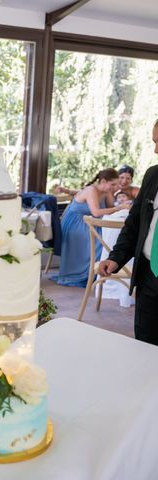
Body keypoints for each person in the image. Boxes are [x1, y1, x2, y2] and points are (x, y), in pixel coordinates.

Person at [99, 120, 158, 345]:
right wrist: (115, 258)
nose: (156, 150)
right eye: (154, 142)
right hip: (148, 276)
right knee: (144, 345)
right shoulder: (153, 175)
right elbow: (134, 225)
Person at [53, 168, 129, 287]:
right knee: (101, 241)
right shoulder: (91, 190)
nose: (115, 187)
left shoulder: (105, 192)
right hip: (76, 223)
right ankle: (88, 274)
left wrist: (111, 194)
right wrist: (119, 208)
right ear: (103, 181)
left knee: (110, 238)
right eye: (113, 184)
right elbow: (97, 212)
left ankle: (101, 274)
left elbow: (110, 211)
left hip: (90, 222)